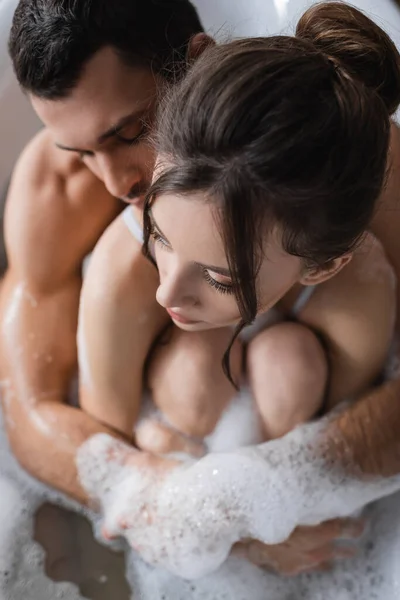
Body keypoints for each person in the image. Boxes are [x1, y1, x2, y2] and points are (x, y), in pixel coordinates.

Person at [75, 2, 400, 578]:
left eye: (221, 276)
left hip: (284, 393)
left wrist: (281, 510)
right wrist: (234, 537)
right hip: (191, 416)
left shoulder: (361, 290)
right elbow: (104, 454)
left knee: (289, 365)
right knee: (197, 375)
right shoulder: (121, 275)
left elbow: (340, 432)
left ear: (321, 267)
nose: (166, 294)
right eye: (161, 233)